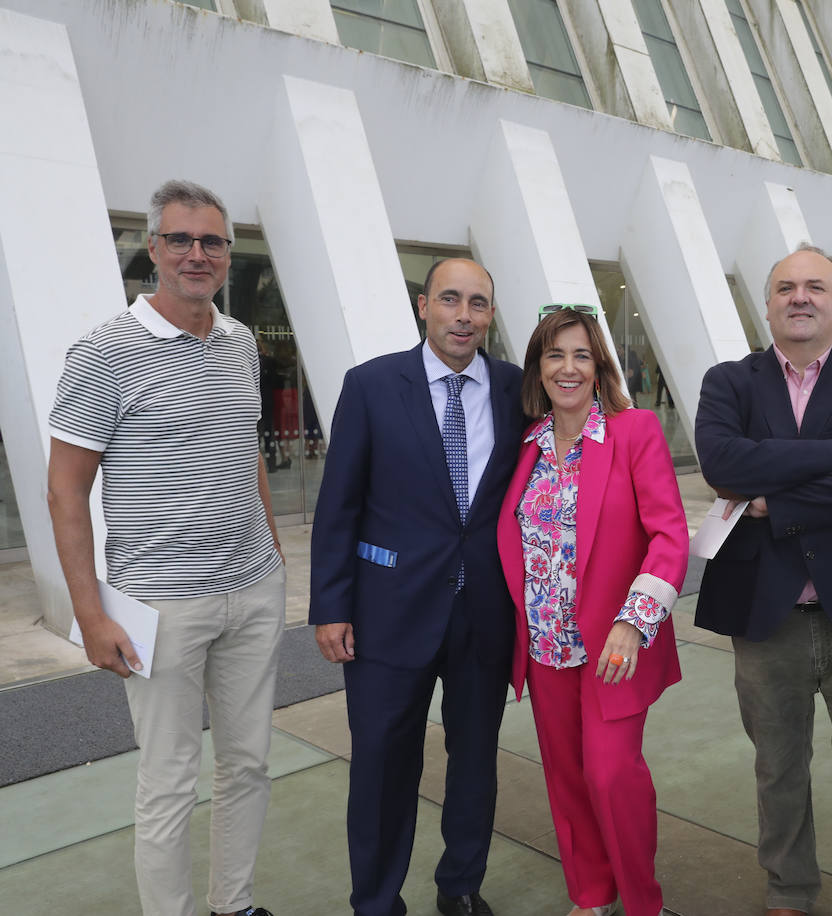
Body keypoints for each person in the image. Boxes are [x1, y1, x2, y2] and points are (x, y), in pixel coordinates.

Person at [47, 179, 284, 916]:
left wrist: (275, 557)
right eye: (179, 239)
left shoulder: (241, 341)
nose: (196, 254)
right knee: (170, 779)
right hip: (160, 604)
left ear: (227, 254)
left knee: (248, 765)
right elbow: (64, 492)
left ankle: (233, 904)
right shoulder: (102, 353)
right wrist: (91, 616)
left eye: (211, 241)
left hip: (253, 591)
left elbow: (245, 455)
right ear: (152, 248)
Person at [694, 244, 832, 916]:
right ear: (766, 307)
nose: (800, 297)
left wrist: (776, 500)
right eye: (786, 287)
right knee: (778, 769)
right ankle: (790, 891)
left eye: (816, 286)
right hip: (766, 615)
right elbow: (724, 463)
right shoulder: (729, 381)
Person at [309, 258, 527, 916]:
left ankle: (460, 885)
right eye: (451, 300)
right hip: (387, 613)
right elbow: (338, 505)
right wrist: (331, 605)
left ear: (491, 315)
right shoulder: (373, 385)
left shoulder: (519, 390)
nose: (464, 315)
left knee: (475, 760)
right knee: (381, 762)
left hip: (485, 611)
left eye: (479, 304)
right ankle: (376, 900)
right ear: (425, 306)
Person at [496, 305, 688, 916]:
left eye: (582, 355)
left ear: (600, 366)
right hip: (546, 645)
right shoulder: (525, 446)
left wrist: (634, 623)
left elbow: (669, 536)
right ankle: (591, 893)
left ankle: (642, 902)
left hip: (613, 647)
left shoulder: (634, 432)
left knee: (611, 774)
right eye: (555, 355)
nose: (569, 368)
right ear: (539, 368)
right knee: (567, 776)